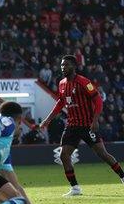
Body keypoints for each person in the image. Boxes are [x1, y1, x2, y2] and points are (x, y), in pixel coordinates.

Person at [40, 55, 124, 196]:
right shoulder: (62, 83)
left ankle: (122, 176)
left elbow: (98, 101)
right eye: (62, 65)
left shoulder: (84, 82)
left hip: (87, 125)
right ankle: (75, 188)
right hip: (72, 125)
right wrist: (48, 119)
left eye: (66, 65)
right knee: (64, 155)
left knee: (102, 154)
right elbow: (60, 103)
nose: (63, 67)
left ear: (74, 66)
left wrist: (95, 120)